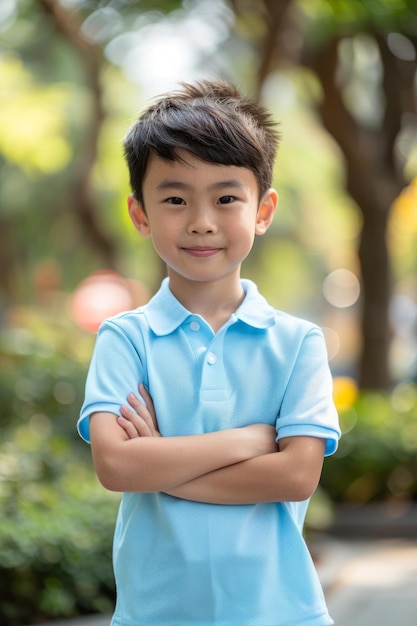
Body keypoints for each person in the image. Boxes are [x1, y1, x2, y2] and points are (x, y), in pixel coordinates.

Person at [78, 80, 341, 626]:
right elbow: (116, 463)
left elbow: (295, 476)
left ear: (263, 209)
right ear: (140, 213)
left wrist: (161, 464)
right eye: (175, 199)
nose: (201, 220)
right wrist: (247, 441)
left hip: (281, 613)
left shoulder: (298, 343)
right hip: (156, 614)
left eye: (226, 198)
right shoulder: (125, 338)